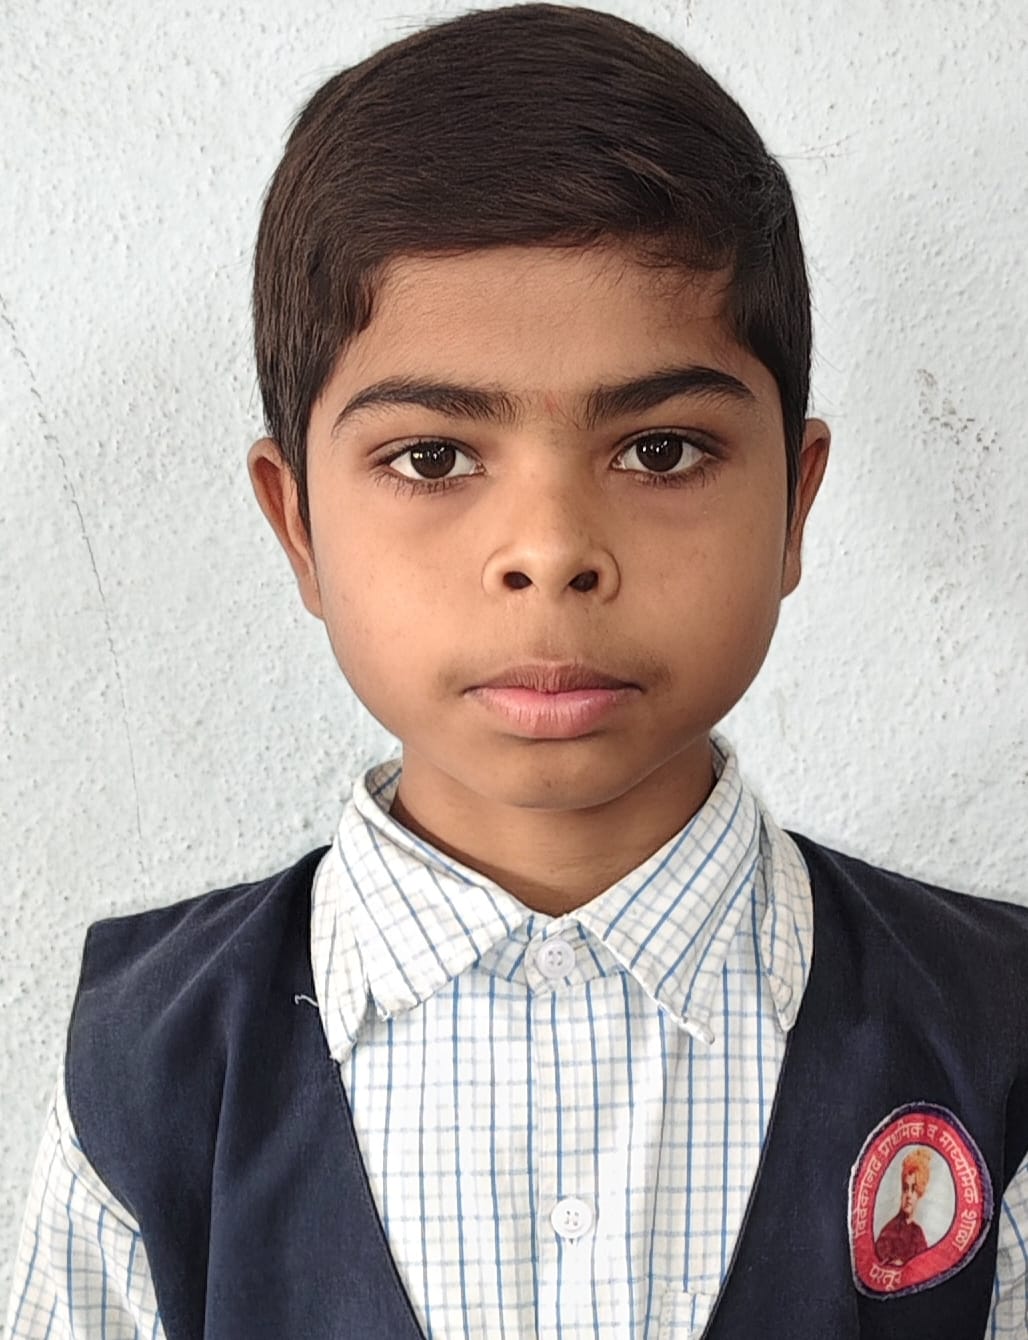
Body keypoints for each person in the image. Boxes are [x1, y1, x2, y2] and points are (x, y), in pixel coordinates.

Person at [5, 4, 1028, 1338]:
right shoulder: (144, 1074)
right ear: (298, 525)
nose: (550, 552)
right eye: (432, 457)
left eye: (659, 451)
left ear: (794, 503)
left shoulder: (995, 1037)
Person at [875, 1149, 932, 1267]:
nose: (909, 1195)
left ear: (920, 1194)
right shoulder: (889, 1231)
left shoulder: (918, 1233)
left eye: (914, 1189)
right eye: (905, 1188)